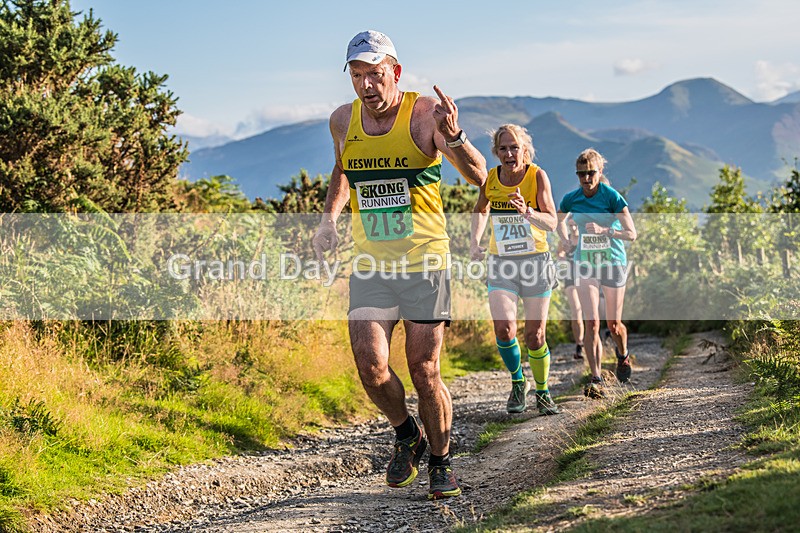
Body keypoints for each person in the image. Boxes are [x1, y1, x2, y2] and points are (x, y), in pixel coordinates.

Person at [312, 30, 486, 501]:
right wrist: (329, 218)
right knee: (371, 367)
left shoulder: (424, 114)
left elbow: (479, 176)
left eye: (374, 73)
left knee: (424, 368)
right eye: (356, 75)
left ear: (395, 71)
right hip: (370, 264)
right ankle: (408, 433)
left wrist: (456, 137)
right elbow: (344, 169)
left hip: (425, 262)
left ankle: (441, 461)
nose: (367, 85)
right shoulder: (341, 121)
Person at [470, 124, 560, 416]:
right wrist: (475, 242)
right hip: (502, 262)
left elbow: (552, 222)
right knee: (504, 328)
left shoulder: (537, 176)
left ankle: (543, 391)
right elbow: (481, 209)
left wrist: (528, 212)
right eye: (503, 148)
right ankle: (518, 381)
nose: (509, 154)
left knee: (535, 335)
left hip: (536, 261)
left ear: (525, 150)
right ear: (496, 152)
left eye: (515, 148)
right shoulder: (492, 179)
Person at [557, 149, 637, 399]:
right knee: (592, 323)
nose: (586, 179)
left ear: (599, 172)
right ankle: (596, 378)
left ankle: (622, 355)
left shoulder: (612, 197)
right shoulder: (572, 198)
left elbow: (631, 233)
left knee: (613, 325)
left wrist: (606, 230)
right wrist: (566, 241)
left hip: (612, 261)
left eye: (590, 173)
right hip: (585, 264)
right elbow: (558, 220)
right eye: (581, 174)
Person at [556, 216, 585, 361]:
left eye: (575, 225)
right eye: (570, 226)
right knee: (576, 311)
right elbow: (559, 253)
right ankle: (579, 345)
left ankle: (594, 341)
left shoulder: (585, 238)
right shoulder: (565, 240)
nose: (573, 228)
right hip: (570, 278)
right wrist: (562, 258)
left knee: (592, 311)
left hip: (586, 276)